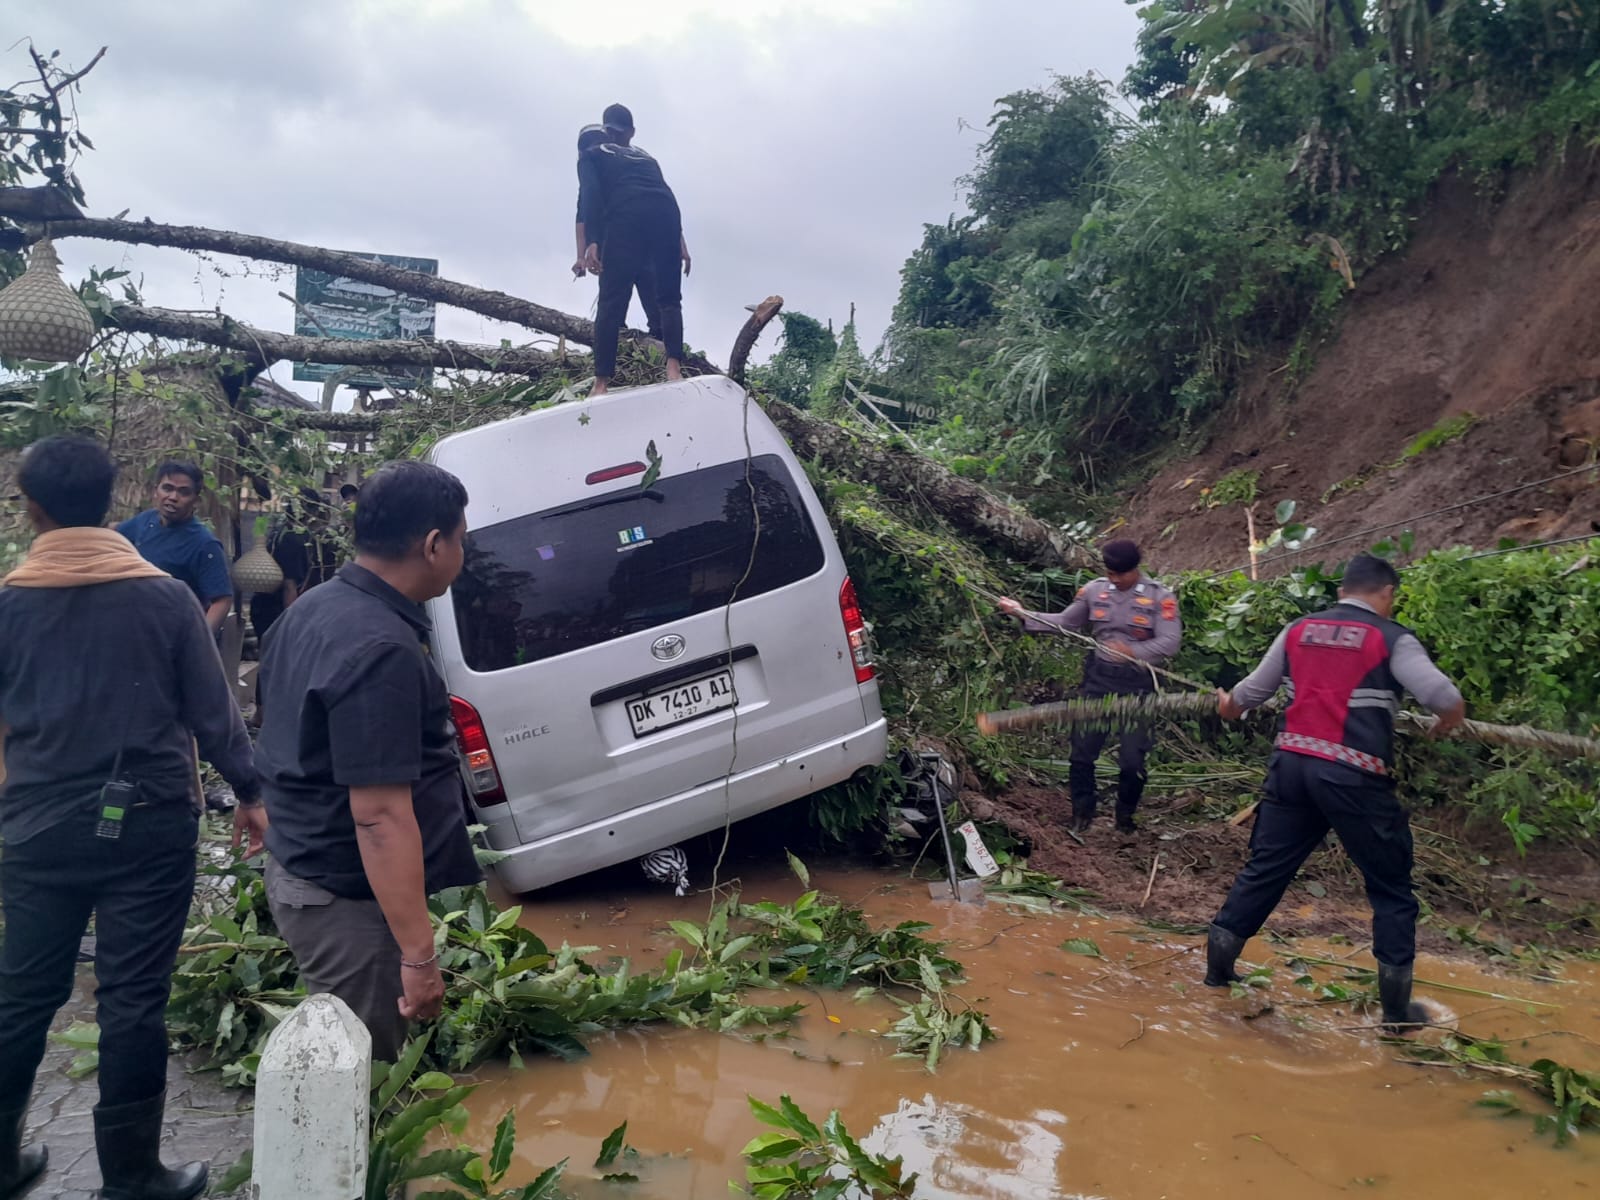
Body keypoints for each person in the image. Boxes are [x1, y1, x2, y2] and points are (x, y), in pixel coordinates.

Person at [0, 436, 262, 1200]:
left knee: (22, 995)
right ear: (114, 502)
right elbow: (214, 715)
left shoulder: (9, 604)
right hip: (148, 824)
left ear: (34, 507)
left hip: (37, 827)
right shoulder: (163, 597)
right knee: (133, 997)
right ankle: (133, 1176)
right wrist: (252, 794)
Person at [256, 460, 481, 1062]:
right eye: (461, 538)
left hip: (304, 864)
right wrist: (420, 956)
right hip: (342, 898)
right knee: (362, 1077)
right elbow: (379, 817)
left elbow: (277, 730)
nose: (462, 551)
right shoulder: (379, 648)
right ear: (434, 545)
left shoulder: (309, 610)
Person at [1203, 553, 1466, 1031]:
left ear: (1343, 589)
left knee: (1265, 870)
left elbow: (1248, 696)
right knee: (1391, 891)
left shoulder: (1298, 630)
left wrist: (1227, 706)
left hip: (1291, 769)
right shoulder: (1392, 638)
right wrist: (1447, 722)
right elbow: (1444, 698)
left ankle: (1217, 977)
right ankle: (1396, 1016)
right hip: (1353, 776)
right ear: (1386, 593)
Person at [997, 539, 1181, 835]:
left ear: (1135, 570)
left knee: (1133, 760)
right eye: (1110, 573)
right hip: (1098, 680)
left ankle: (1124, 819)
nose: (1114, 579)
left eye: (1120, 574)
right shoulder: (1095, 590)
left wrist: (1134, 651)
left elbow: (1170, 642)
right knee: (1082, 752)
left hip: (1137, 685)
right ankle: (1082, 814)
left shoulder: (1161, 597)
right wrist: (1021, 613)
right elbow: (1065, 622)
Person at [576, 120, 687, 395]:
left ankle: (601, 383)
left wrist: (592, 242)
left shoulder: (589, 156)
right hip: (667, 214)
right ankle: (674, 368)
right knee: (669, 298)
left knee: (611, 302)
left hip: (627, 218)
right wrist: (680, 242)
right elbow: (663, 192)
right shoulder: (644, 156)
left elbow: (589, 196)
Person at [117, 460, 233, 635]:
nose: (173, 497)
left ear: (196, 500)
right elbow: (113, 536)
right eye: (167, 488)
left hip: (174, 636)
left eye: (183, 492)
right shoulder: (144, 521)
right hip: (134, 630)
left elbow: (222, 601)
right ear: (155, 491)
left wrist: (201, 642)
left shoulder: (205, 544)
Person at [248, 488, 323, 643]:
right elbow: (289, 586)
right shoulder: (294, 538)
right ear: (311, 511)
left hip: (261, 606)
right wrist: (292, 625)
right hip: (275, 611)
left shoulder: (280, 529)